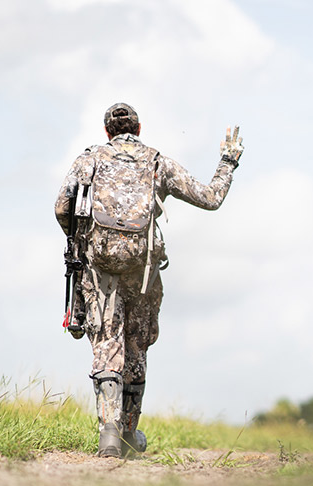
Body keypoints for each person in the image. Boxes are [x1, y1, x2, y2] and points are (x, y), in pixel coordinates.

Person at [54, 102, 243, 457]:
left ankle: (108, 435)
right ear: (138, 130)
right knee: (136, 347)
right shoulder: (157, 162)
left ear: (107, 132)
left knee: (107, 343)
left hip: (100, 268)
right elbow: (211, 198)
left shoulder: (89, 160)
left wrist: (83, 243)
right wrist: (228, 162)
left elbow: (62, 207)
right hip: (143, 270)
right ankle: (129, 433)